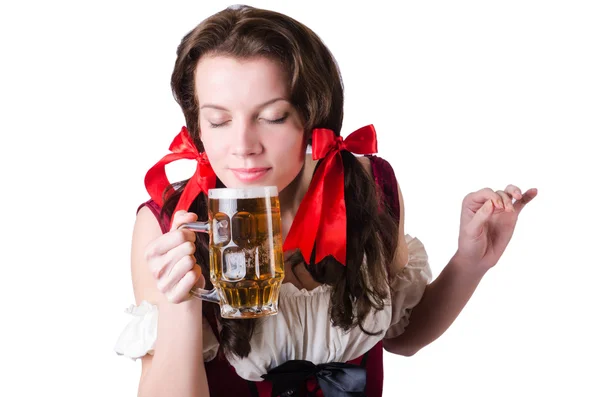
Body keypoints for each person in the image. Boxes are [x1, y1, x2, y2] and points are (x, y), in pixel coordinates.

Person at [114, 4, 538, 396]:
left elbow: (402, 338)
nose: (243, 145)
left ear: (313, 115)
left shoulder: (369, 187)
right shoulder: (168, 222)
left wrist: (471, 261)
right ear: (197, 126)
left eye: (272, 116)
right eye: (219, 120)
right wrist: (181, 311)